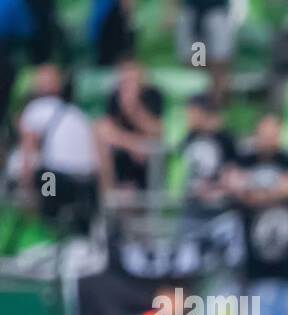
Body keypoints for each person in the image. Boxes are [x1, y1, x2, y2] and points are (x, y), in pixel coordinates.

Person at [15, 63, 100, 234]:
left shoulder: (34, 110)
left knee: (45, 186)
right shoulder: (78, 114)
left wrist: (26, 185)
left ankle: (45, 233)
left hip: (55, 179)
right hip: (87, 183)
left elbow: (28, 152)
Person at [95, 59, 165, 197]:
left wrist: (134, 110)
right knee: (99, 131)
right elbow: (105, 128)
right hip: (126, 149)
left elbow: (157, 130)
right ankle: (107, 195)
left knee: (152, 142)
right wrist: (131, 144)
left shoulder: (153, 95)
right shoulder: (114, 96)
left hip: (147, 150)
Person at [178, 92, 236, 217]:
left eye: (192, 112)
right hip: (192, 203)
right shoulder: (188, 138)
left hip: (219, 204)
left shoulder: (224, 139)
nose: (189, 116)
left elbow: (231, 170)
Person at [173, 0, 233, 104]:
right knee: (196, 62)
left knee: (219, 61)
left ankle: (217, 102)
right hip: (193, 11)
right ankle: (198, 104)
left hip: (217, 9)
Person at [230, 114, 288, 207]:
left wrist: (261, 197)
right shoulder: (244, 156)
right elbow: (233, 184)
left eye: (271, 135)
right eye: (263, 134)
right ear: (256, 134)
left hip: (277, 211)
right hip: (245, 211)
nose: (267, 140)